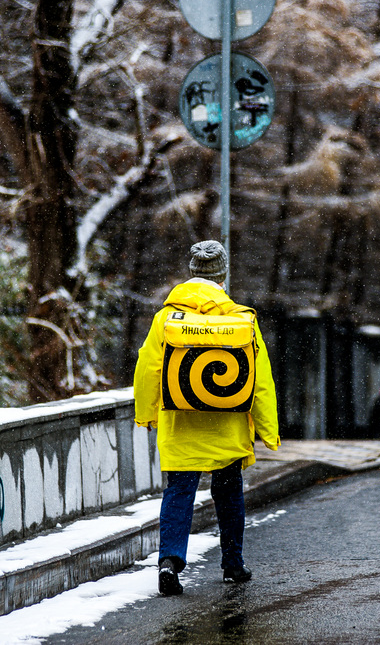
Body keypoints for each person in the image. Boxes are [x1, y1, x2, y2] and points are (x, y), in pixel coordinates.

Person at [133, 240, 280, 596]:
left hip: (180, 424)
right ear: (222, 276)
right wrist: (268, 430)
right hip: (226, 426)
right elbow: (261, 380)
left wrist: (146, 413)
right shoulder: (240, 319)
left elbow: (148, 369)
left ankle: (169, 561)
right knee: (229, 494)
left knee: (179, 492)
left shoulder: (166, 318)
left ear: (192, 273)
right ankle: (233, 564)